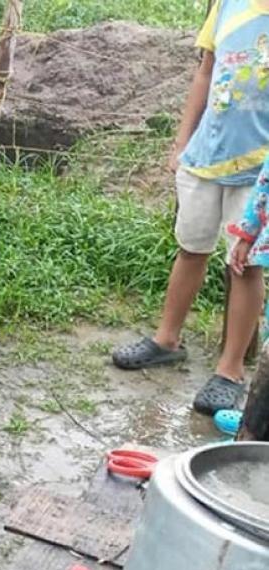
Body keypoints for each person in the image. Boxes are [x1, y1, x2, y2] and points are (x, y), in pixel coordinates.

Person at [112, 0, 269, 416]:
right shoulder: (227, 5)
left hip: (259, 170)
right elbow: (205, 72)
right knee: (191, 248)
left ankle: (230, 370)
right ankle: (166, 340)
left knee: (247, 264)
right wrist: (182, 142)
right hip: (206, 155)